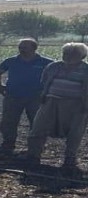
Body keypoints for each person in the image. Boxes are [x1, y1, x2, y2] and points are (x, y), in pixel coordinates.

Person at [21, 42, 88, 173]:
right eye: (66, 53)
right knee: (38, 129)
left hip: (77, 105)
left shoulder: (86, 70)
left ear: (82, 56)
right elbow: (44, 81)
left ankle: (70, 160)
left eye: (72, 54)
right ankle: (33, 156)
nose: (68, 56)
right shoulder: (53, 66)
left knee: (75, 133)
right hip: (51, 101)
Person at [0, 38, 53, 151]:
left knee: (37, 122)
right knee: (8, 121)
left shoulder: (46, 62)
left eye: (25, 47)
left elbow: (56, 76)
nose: (21, 49)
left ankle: (35, 146)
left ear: (34, 48)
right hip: (13, 96)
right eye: (20, 47)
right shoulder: (10, 61)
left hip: (36, 97)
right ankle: (8, 143)